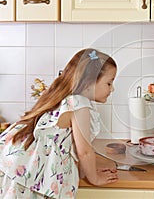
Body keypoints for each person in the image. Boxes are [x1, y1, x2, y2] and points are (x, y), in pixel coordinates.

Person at [0, 48, 118, 198]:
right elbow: (84, 151)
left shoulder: (66, 97)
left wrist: (90, 172)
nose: (112, 89)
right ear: (90, 82)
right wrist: (95, 178)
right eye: (109, 83)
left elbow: (74, 148)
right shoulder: (79, 103)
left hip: (20, 168)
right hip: (30, 174)